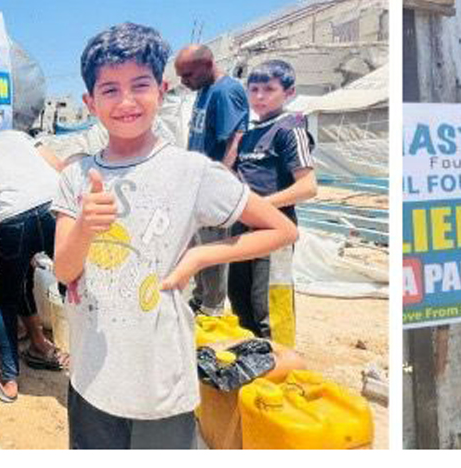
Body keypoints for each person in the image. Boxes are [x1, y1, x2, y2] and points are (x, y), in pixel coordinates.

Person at [51, 23, 296, 449]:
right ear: (90, 102)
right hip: (92, 375)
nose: (126, 101)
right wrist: (86, 228)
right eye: (109, 89)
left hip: (160, 379)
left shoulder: (192, 172)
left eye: (139, 85)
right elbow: (64, 270)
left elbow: (282, 228)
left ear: (162, 91)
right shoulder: (76, 176)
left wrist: (199, 257)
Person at [0, 128, 67, 401]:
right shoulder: (13, 135)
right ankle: (78, 357)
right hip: (54, 206)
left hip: (11, 220)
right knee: (75, 285)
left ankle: (9, 380)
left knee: (3, 299)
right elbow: (57, 165)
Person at [228, 59, 317, 339]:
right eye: (254, 89)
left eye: (269, 89)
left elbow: (308, 187)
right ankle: (252, 358)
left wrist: (259, 207)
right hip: (241, 230)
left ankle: (280, 359)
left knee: (269, 306)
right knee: (240, 300)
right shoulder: (249, 134)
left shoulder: (290, 129)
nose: (259, 96)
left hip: (274, 230)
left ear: (288, 93)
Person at [173, 43, 250, 316]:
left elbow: (235, 139)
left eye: (188, 75)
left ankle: (212, 309)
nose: (184, 82)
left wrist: (221, 182)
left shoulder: (226, 91)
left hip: (212, 186)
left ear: (207, 65)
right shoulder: (204, 90)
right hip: (197, 183)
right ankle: (200, 299)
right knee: (197, 247)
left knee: (212, 249)